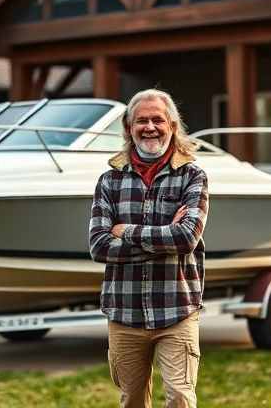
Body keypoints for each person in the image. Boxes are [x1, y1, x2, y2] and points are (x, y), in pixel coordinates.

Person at [89, 88, 209, 408]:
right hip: (124, 312)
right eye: (142, 120)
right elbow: (99, 246)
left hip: (176, 309)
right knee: (132, 401)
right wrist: (165, 235)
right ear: (129, 128)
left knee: (181, 398)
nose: (150, 127)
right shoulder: (109, 181)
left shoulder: (192, 175)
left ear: (172, 125)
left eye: (158, 119)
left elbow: (186, 239)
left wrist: (126, 231)